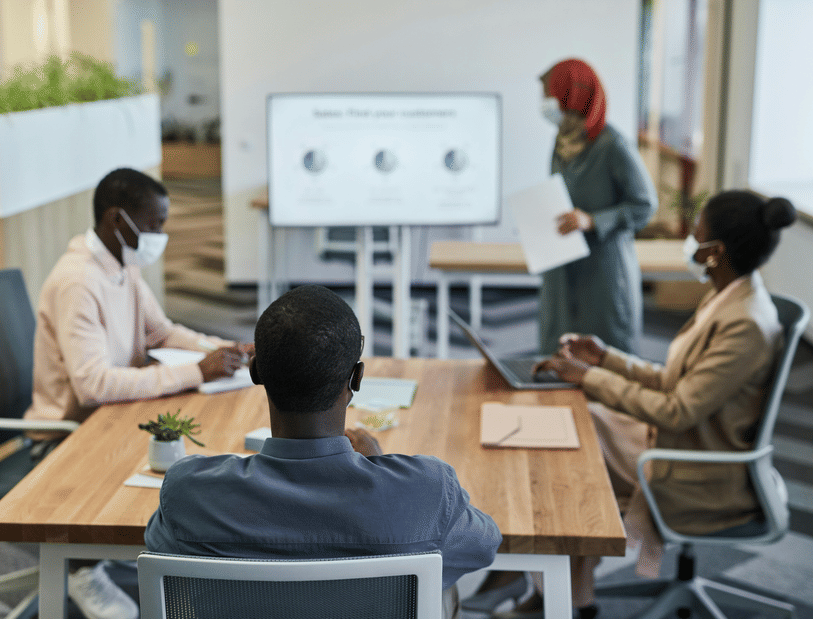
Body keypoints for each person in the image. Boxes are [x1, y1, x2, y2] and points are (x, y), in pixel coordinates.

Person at [473, 190, 796, 619]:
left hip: (700, 468)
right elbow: (672, 379)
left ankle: (560, 592)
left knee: (566, 461)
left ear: (715, 253)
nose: (688, 241)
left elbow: (677, 410)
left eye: (694, 235)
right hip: (680, 439)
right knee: (572, 428)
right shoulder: (728, 294)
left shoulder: (745, 324)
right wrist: (605, 357)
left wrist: (589, 378)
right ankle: (563, 591)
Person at [145, 285, 503, 619]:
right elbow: (485, 545)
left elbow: (159, 549)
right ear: (357, 379)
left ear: (255, 372)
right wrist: (378, 466)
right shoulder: (427, 491)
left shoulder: (189, 493)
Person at [24, 168, 253, 619]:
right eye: (154, 224)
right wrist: (195, 372)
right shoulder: (78, 282)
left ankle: (129, 555)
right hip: (67, 436)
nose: (160, 235)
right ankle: (81, 569)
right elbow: (93, 386)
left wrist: (217, 351)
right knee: (188, 461)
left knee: (196, 451)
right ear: (117, 219)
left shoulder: (120, 266)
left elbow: (160, 332)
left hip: (110, 419)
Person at [536, 58, 657, 355]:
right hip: (563, 267)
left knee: (604, 359)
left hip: (602, 271)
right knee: (560, 356)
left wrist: (593, 220)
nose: (544, 105)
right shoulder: (561, 140)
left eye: (548, 97)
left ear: (570, 97)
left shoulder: (611, 145)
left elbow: (645, 205)